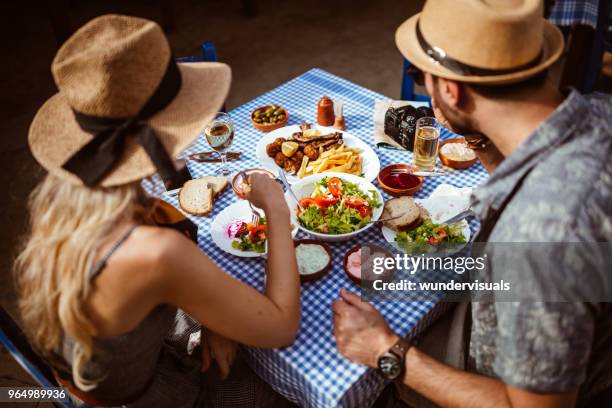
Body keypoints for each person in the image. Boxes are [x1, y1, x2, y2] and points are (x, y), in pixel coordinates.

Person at [333, 0, 612, 407]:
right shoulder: (601, 111)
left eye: (419, 75)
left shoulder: (539, 234)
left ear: (450, 89)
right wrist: (476, 133)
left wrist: (386, 352)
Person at [15, 15, 300, 407]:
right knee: (289, 391)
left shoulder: (62, 202)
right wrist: (276, 208)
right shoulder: (156, 252)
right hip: (149, 396)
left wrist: (214, 320)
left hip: (96, 373)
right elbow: (282, 326)